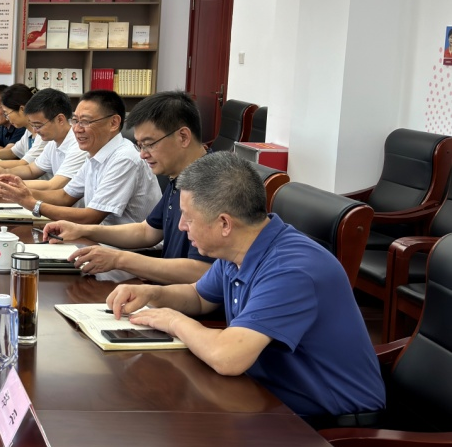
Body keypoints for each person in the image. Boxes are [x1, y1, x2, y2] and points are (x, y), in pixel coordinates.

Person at [107, 152, 385, 424]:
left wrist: (172, 320)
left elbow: (228, 357)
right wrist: (153, 294)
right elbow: (199, 297)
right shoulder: (241, 248)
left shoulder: (291, 270)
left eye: (188, 218)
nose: (181, 226)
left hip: (329, 425)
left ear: (224, 223)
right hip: (265, 395)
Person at [43, 90, 214, 283]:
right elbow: (147, 231)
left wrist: (120, 259)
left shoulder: (212, 185)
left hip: (183, 293)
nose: (142, 154)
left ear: (183, 137)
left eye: (149, 144)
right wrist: (82, 230)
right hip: (166, 286)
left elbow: (203, 271)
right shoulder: (181, 177)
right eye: (140, 145)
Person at [0, 89, 159, 226]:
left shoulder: (124, 159)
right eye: (75, 120)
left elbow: (91, 216)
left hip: (131, 250)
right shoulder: (95, 154)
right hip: (101, 239)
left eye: (85, 121)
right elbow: (64, 196)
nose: (77, 129)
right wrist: (22, 193)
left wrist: (33, 203)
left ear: (113, 123)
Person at [0, 87, 85, 192]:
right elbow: (31, 170)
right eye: (33, 126)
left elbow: (53, 185)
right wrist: (5, 173)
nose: (35, 131)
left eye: (38, 125)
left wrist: (4, 182)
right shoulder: (53, 142)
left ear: (60, 119)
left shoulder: (78, 145)